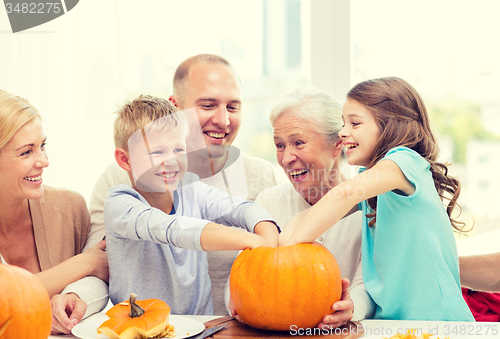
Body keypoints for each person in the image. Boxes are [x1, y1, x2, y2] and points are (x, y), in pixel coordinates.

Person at [88, 54, 285, 315]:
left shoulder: (194, 188)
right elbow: (177, 230)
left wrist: (266, 232)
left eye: (178, 150)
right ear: (125, 160)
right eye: (207, 105)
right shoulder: (120, 199)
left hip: (206, 329)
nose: (223, 120)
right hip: (142, 330)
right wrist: (251, 240)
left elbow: (238, 208)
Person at [280, 77, 475, 321]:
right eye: (343, 123)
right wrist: (279, 243)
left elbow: (343, 194)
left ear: (390, 125)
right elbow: (323, 208)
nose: (342, 132)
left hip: (438, 323)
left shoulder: (404, 162)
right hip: (396, 326)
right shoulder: (371, 182)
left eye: (355, 123)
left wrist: (289, 248)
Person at [249, 86, 374, 328]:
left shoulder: (368, 204)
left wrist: (352, 306)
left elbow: (368, 286)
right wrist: (237, 301)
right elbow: (245, 278)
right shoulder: (268, 202)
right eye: (279, 145)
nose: (286, 159)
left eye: (298, 142)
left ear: (338, 144)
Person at [0, 90, 109, 334]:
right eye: (26, 151)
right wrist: (84, 262)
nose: (44, 161)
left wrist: (75, 299)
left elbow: (101, 281)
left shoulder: (70, 209)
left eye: (43, 146)